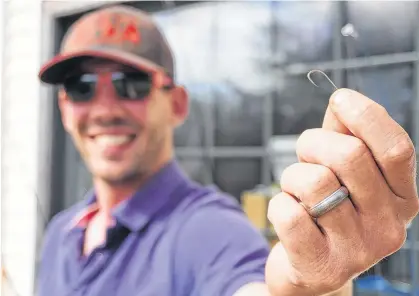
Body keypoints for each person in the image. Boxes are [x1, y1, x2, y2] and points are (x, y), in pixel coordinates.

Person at [36, 5, 419, 296]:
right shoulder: (61, 231)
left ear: (177, 104)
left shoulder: (208, 229)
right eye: (81, 86)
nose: (104, 109)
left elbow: (255, 285)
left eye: (132, 84)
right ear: (64, 107)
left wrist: (309, 278)